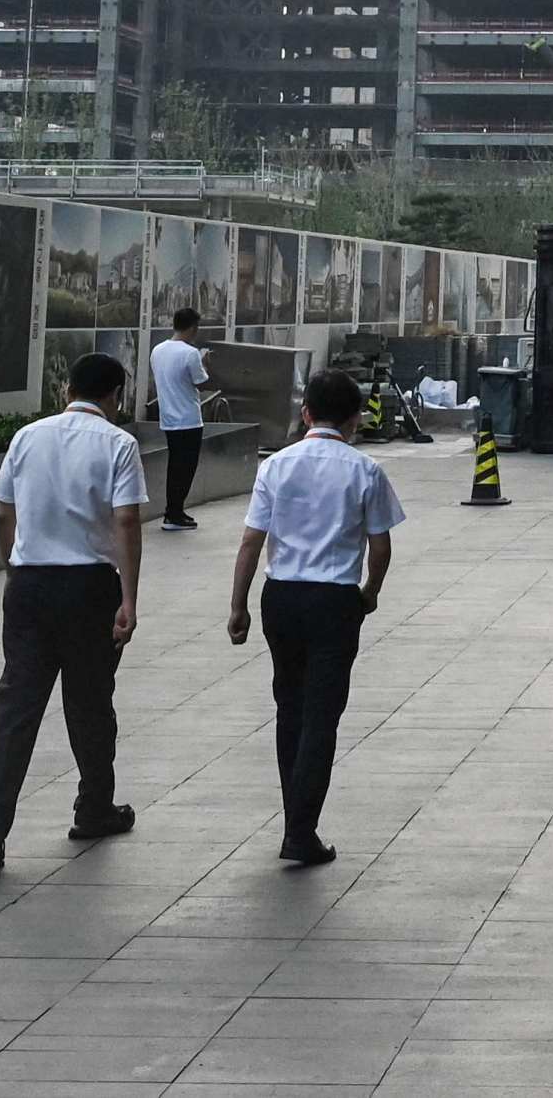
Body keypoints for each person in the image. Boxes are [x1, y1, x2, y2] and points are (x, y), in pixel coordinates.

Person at [0, 354, 150, 873]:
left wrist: (12, 571)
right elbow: (128, 521)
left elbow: (4, 512)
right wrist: (129, 599)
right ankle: (94, 806)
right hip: (89, 588)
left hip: (29, 584)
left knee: (16, 707)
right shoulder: (118, 444)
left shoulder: (29, 436)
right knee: (90, 703)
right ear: (115, 394)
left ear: (66, 387)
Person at [226, 370, 405, 866]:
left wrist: (238, 604)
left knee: (290, 704)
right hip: (333, 601)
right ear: (353, 420)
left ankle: (294, 817)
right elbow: (381, 545)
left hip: (280, 597)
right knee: (323, 715)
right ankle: (300, 829)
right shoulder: (365, 470)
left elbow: (250, 540)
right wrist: (370, 593)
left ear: (306, 413)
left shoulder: (275, 467)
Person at [149, 309, 215, 531]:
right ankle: (174, 513)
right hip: (189, 418)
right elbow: (200, 382)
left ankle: (173, 510)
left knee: (175, 465)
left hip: (168, 417)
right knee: (186, 468)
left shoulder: (157, 350)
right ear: (193, 328)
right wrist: (205, 363)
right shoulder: (190, 353)